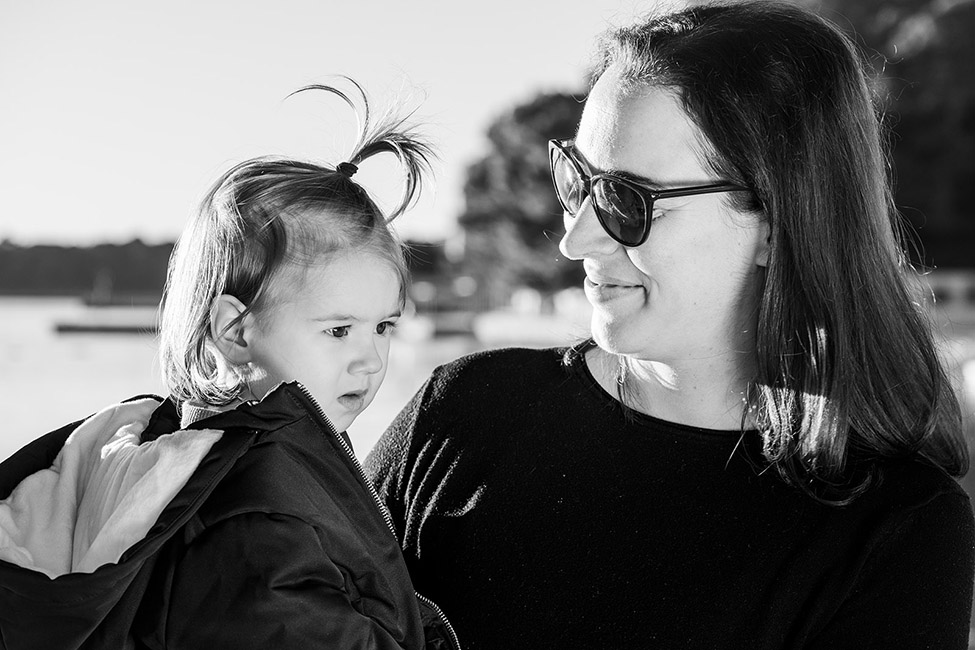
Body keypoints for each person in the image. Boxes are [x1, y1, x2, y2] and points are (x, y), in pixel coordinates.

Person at [365, 2, 975, 649]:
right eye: (578, 182)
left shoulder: (896, 533)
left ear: (775, 222)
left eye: (626, 201)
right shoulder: (462, 414)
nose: (575, 240)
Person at [0, 81, 459, 649]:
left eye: (384, 327)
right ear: (236, 331)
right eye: (339, 331)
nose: (370, 360)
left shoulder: (171, 453)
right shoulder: (259, 518)